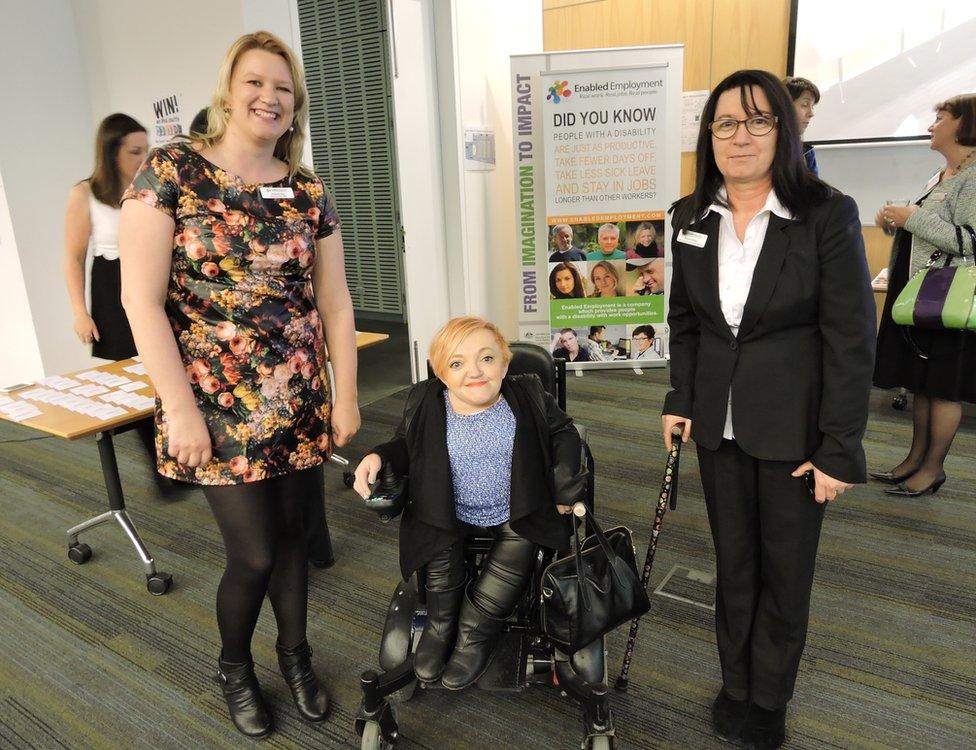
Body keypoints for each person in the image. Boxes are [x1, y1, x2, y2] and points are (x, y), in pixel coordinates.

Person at [118, 31, 360, 738]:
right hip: (213, 405)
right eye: (256, 82)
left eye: (283, 88)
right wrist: (179, 411)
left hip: (299, 397)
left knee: (292, 541)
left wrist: (345, 395)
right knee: (253, 553)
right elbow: (141, 302)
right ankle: (234, 665)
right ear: (229, 91)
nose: (270, 97)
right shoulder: (171, 172)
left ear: (296, 104)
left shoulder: (306, 186)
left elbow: (336, 303)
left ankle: (295, 656)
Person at [663, 69, 874, 749]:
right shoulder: (689, 217)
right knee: (734, 563)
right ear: (709, 135)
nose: (740, 135)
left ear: (785, 129)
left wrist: (838, 447)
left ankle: (770, 696)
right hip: (716, 426)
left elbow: (850, 339)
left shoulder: (825, 214)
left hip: (794, 428)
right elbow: (687, 324)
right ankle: (736, 682)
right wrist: (679, 397)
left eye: (759, 120)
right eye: (725, 122)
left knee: (785, 572)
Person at [352, 316, 587, 689]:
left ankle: (474, 633)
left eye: (487, 359)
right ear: (441, 373)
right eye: (457, 364)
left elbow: (564, 432)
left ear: (505, 364)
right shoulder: (426, 402)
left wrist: (563, 486)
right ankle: (441, 625)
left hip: (516, 509)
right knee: (440, 563)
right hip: (449, 510)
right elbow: (404, 446)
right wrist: (379, 456)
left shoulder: (528, 394)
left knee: (514, 559)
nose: (474, 372)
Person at [871, 94, 976, 497]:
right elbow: (927, 232)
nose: (932, 125)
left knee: (944, 387)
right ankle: (913, 461)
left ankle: (932, 470)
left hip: (950, 301)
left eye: (940, 117)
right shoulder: (942, 175)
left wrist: (914, 217)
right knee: (922, 383)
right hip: (923, 296)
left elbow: (970, 241)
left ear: (964, 123)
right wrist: (894, 222)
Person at [64, 113, 148, 360]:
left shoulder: (149, 189)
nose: (143, 158)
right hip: (112, 284)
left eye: (146, 150)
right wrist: (80, 313)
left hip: (152, 280)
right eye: (135, 151)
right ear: (112, 153)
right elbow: (73, 258)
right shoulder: (84, 193)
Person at [783, 76, 820, 176]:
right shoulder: (765, 150)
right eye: (805, 104)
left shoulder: (807, 153)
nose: (811, 113)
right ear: (784, 106)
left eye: (812, 106)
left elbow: (816, 189)